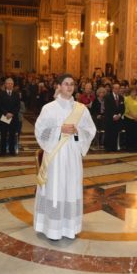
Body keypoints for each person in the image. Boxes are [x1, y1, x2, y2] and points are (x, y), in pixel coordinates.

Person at [34, 73, 96, 240]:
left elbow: (90, 130)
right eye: (66, 84)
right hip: (55, 156)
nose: (69, 87)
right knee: (55, 188)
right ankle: (52, 228)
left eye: (72, 84)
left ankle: (70, 227)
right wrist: (59, 130)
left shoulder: (81, 109)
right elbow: (40, 131)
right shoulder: (49, 108)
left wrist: (77, 131)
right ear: (59, 87)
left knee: (71, 188)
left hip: (73, 155)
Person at [0, 78, 20, 156]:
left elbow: (18, 106)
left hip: (13, 117)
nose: (10, 85)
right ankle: (3, 151)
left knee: (12, 134)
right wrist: (6, 113)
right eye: (8, 83)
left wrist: (12, 114)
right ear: (5, 84)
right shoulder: (1, 94)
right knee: (3, 134)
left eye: (11, 83)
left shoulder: (16, 94)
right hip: (4, 116)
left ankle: (12, 150)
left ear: (13, 85)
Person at [104, 83, 125, 151]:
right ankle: (107, 148)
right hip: (110, 119)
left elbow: (123, 108)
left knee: (115, 134)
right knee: (109, 134)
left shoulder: (121, 97)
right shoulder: (107, 97)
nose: (117, 90)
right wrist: (114, 115)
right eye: (116, 88)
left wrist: (119, 115)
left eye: (118, 88)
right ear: (113, 89)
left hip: (118, 119)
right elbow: (107, 108)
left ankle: (114, 148)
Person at [124, 86, 137, 151]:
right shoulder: (126, 99)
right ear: (130, 92)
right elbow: (126, 109)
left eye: (135, 91)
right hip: (129, 119)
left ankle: (134, 147)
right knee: (129, 134)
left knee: (135, 134)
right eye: (132, 92)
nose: (134, 93)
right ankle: (128, 147)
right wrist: (134, 116)